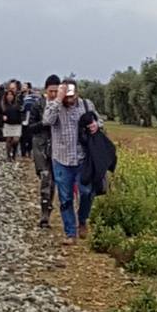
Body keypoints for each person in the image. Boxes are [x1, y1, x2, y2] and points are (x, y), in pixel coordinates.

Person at [43, 78, 100, 245]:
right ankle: (70, 233)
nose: (70, 98)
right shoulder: (54, 105)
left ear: (77, 92)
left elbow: (99, 121)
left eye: (71, 94)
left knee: (87, 192)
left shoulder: (86, 105)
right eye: (66, 94)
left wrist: (96, 125)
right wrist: (58, 99)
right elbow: (47, 120)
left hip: (82, 158)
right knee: (65, 198)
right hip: (61, 159)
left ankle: (82, 220)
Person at [30, 74, 60, 228]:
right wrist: (44, 123)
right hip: (41, 146)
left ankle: (46, 214)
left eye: (56, 91)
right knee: (45, 178)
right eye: (51, 91)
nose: (54, 94)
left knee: (52, 181)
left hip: (57, 147)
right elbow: (30, 127)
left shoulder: (62, 107)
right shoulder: (37, 105)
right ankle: (44, 211)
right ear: (46, 90)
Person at [1, 89, 22, 161]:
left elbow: (21, 112)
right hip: (8, 124)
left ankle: (13, 152)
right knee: (8, 140)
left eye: (11, 95)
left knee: (16, 140)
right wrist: (2, 117)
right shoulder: (3, 105)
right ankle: (8, 156)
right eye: (8, 95)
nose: (9, 96)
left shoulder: (17, 104)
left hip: (17, 124)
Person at [20, 82, 36, 158]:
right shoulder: (19, 97)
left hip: (31, 119)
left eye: (25, 87)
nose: (23, 88)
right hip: (22, 119)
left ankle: (29, 151)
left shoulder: (33, 97)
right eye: (22, 86)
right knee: (22, 137)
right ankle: (23, 153)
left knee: (30, 137)